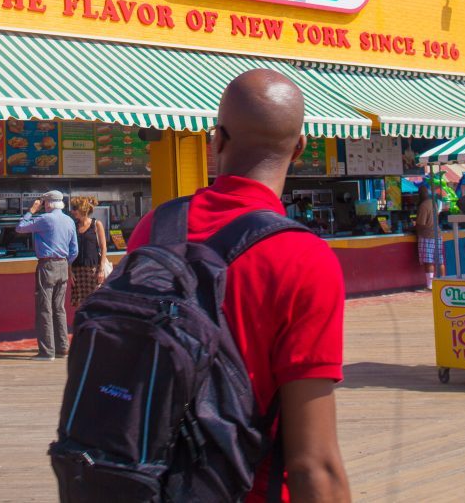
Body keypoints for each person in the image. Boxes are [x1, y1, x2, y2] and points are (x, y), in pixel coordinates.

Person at [127, 70, 350, 502]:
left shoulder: (155, 228)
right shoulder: (304, 258)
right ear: (300, 148)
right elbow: (313, 464)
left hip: (149, 482)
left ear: (217, 140)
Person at [16, 189, 78, 360]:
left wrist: (31, 211)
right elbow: (75, 250)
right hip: (63, 264)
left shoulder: (45, 219)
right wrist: (66, 262)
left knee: (45, 308)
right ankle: (63, 348)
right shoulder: (69, 220)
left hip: (47, 265)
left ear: (48, 203)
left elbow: (20, 228)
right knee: (59, 308)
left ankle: (47, 351)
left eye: (44, 203)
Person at [67, 195, 107, 309]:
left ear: (82, 209)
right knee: (79, 304)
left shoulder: (96, 224)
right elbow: (69, 249)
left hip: (93, 269)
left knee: (95, 302)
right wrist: (70, 270)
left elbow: (103, 247)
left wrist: (101, 270)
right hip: (77, 270)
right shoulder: (73, 225)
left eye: (75, 208)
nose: (72, 211)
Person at [415, 185, 443, 290]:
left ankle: (430, 285)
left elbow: (421, 223)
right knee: (439, 260)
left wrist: (414, 227)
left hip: (427, 235)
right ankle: (442, 282)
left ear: (421, 194)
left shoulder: (423, 205)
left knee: (429, 261)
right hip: (437, 234)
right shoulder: (433, 203)